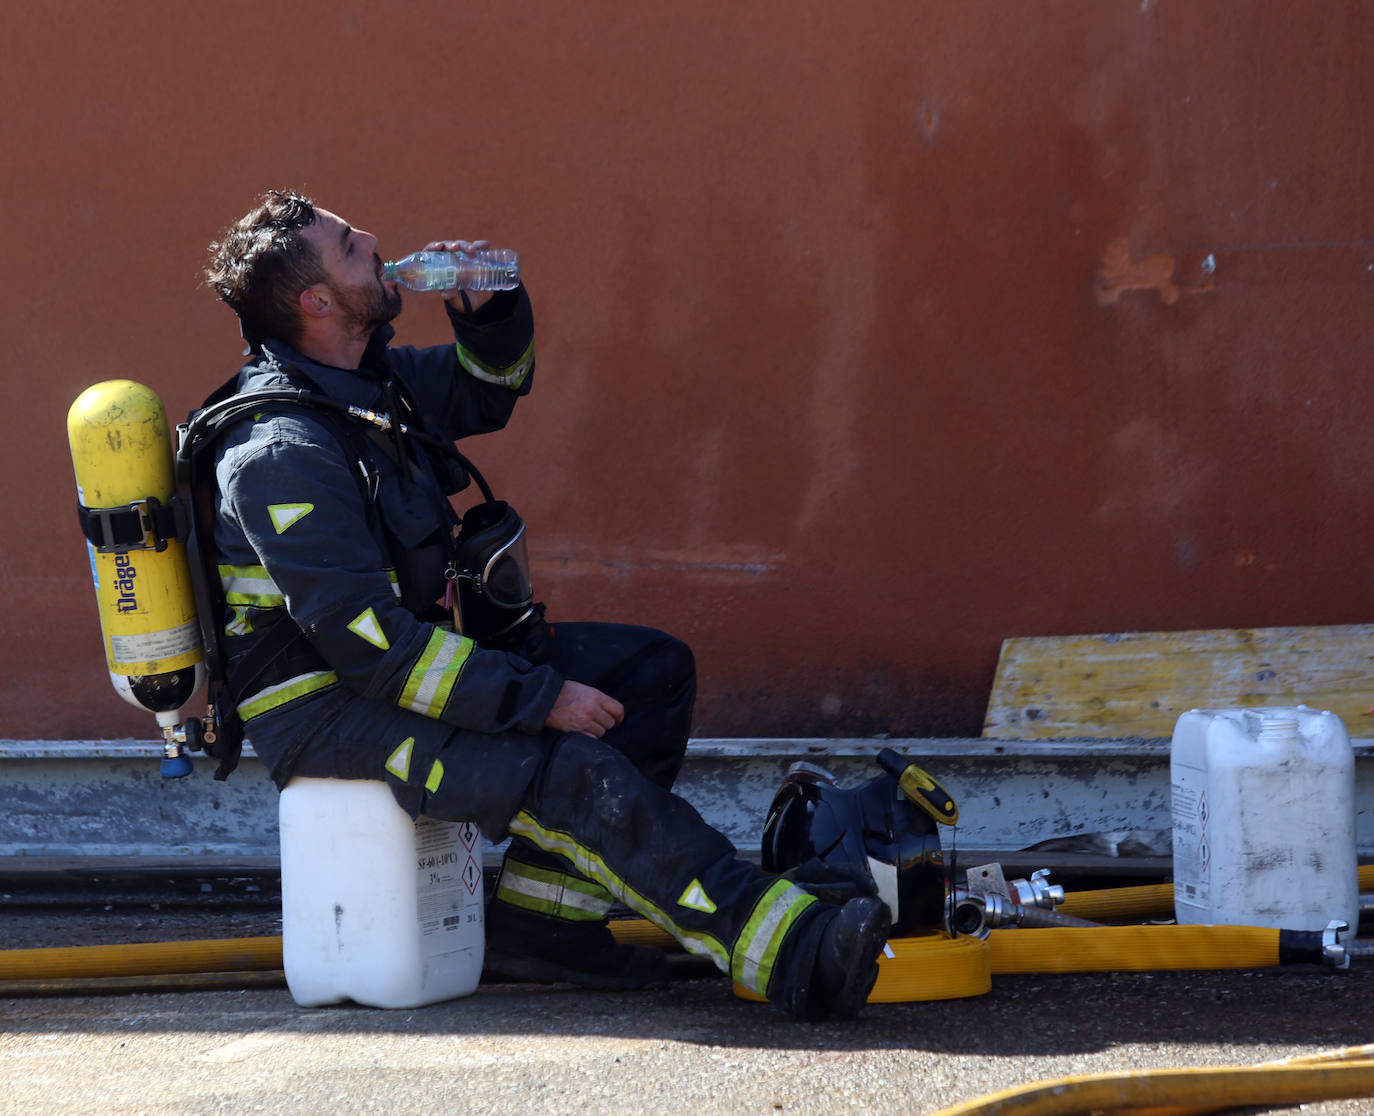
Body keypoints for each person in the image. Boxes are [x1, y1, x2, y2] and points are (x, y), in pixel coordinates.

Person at [200, 189, 890, 1019]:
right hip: (326, 707)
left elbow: (489, 389)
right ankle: (795, 954)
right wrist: (539, 700)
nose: (374, 242)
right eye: (349, 246)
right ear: (316, 302)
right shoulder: (282, 450)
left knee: (649, 673)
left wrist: (490, 314)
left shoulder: (366, 388)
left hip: (399, 669)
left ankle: (543, 928)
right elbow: (373, 648)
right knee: (569, 770)